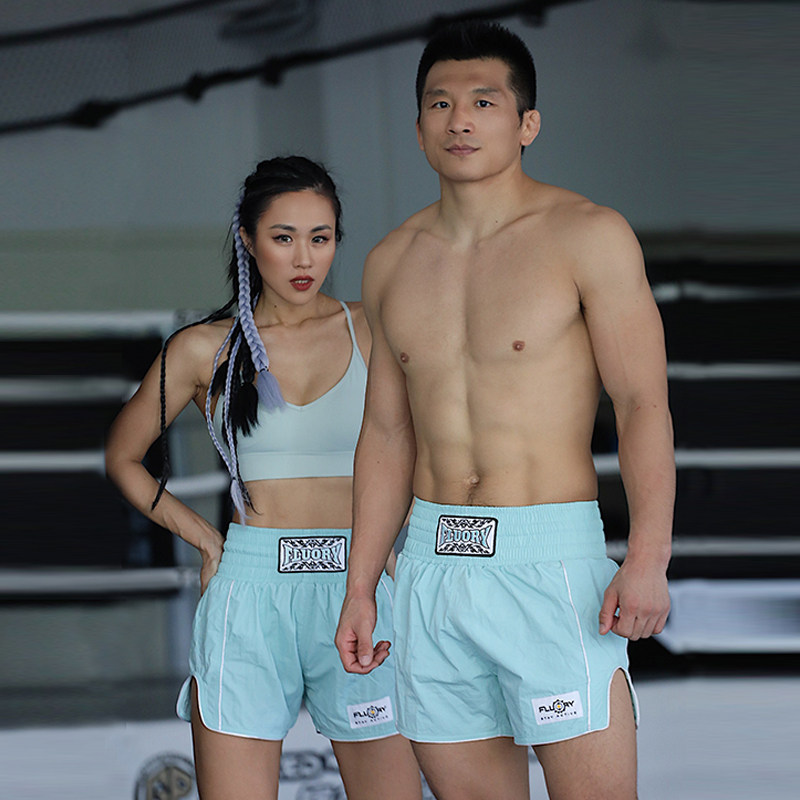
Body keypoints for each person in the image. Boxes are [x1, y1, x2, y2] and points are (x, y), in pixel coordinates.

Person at [335, 21, 673, 800]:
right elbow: (386, 432)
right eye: (440, 103)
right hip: (431, 567)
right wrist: (360, 585)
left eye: (483, 102)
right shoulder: (390, 261)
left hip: (549, 562)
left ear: (527, 124)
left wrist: (648, 557)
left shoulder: (588, 235)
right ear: (418, 127)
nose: (459, 120)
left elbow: (641, 402)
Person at [106, 156, 421, 800]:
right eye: (284, 237)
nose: (304, 258)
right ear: (248, 240)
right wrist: (206, 539)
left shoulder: (376, 327)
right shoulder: (202, 347)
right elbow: (123, 456)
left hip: (360, 585)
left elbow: (427, 444)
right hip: (250, 589)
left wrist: (401, 541)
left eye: (320, 237)